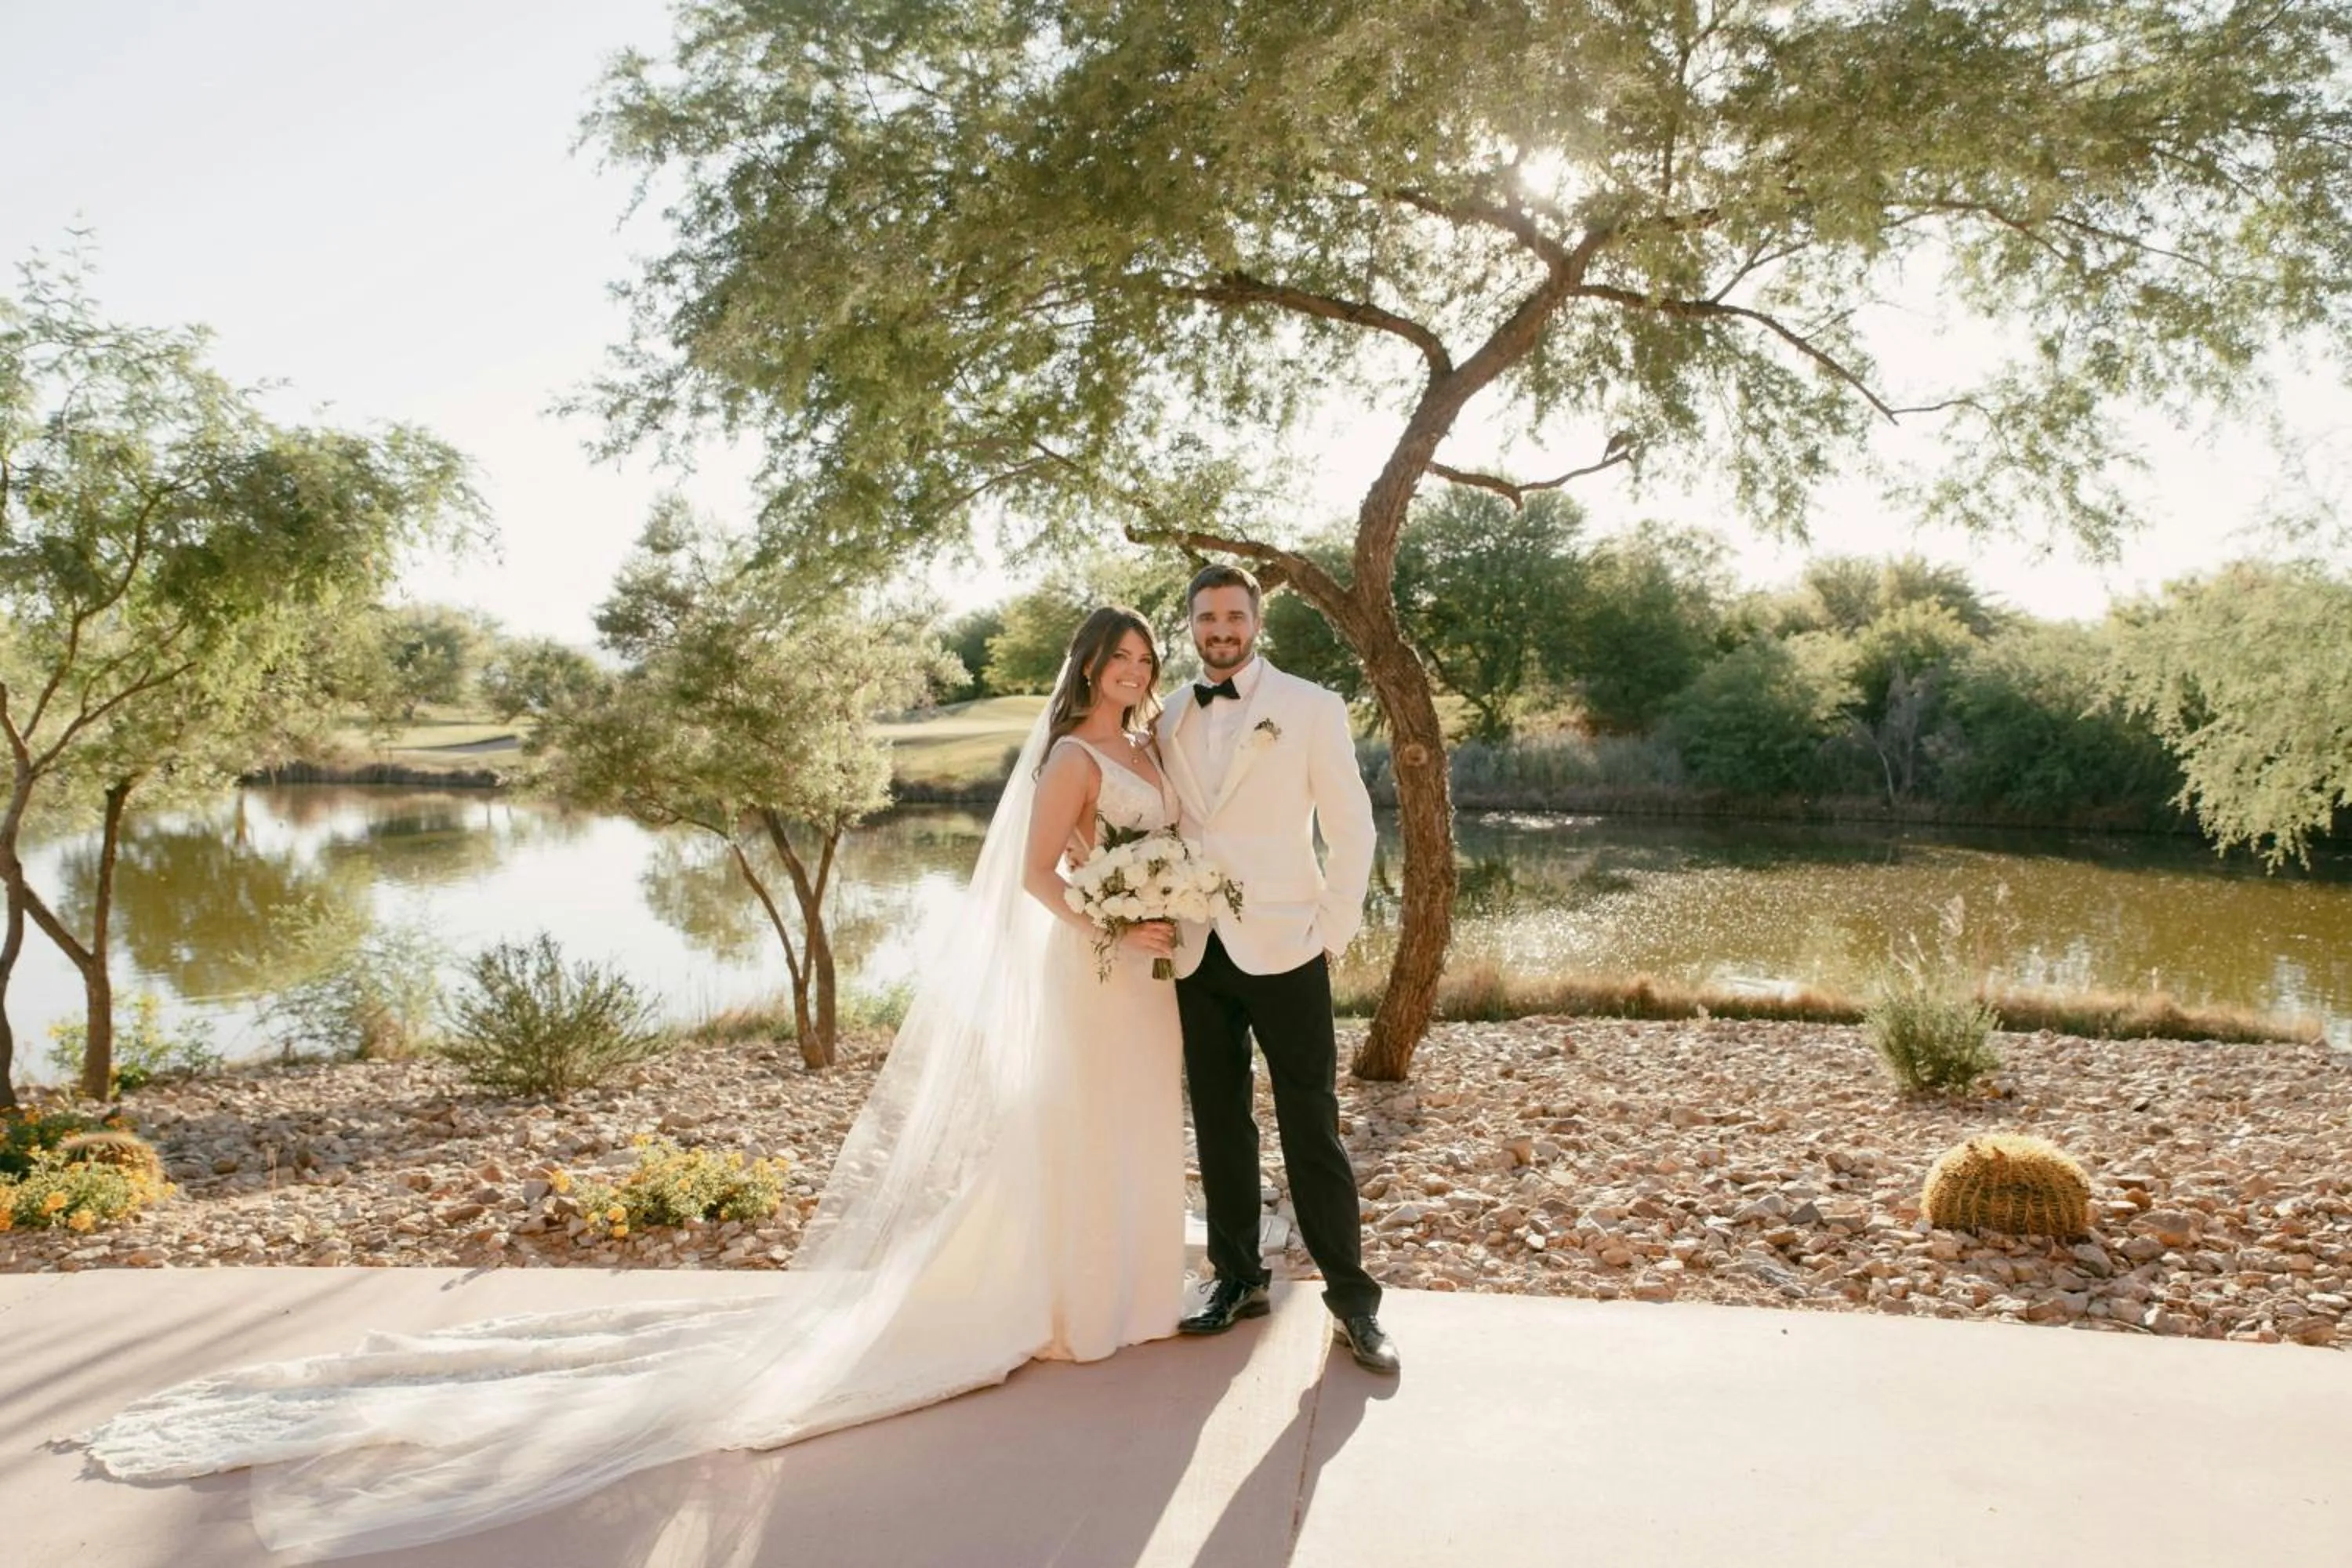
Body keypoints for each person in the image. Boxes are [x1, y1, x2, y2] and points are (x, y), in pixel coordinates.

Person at [76, 606, 1195, 1561]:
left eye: (1146, 659)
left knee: (1137, 1121)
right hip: (1094, 970)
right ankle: (1071, 1296)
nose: (1134, 672)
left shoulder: (1149, 749)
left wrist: (1168, 911)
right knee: (1077, 1122)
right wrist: (1114, 914)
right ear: (1089, 666)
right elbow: (1042, 881)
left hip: (1147, 978)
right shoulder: (1068, 757)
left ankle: (1139, 1285)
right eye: (1121, 659)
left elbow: (1150, 849)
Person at [1158, 564, 1398, 1373]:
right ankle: (1236, 1277)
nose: (1220, 627)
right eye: (1206, 615)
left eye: (1233, 614)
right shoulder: (1165, 717)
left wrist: (1331, 926)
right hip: (1198, 947)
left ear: (1257, 621)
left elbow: (1352, 827)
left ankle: (1353, 1301)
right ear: (1189, 623)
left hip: (1289, 943)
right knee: (1220, 1122)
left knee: (1311, 1120)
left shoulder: (1310, 706)